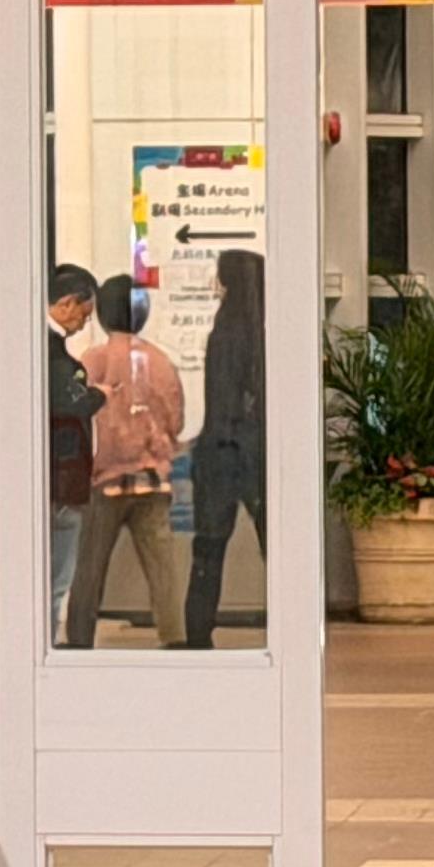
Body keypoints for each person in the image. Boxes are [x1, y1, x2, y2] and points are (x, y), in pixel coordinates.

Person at [64, 273, 188, 646]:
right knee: (163, 571)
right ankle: (174, 638)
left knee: (89, 568)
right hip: (153, 479)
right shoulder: (160, 361)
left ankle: (79, 641)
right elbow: (176, 419)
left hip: (105, 481)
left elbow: (76, 413)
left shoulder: (95, 359)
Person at [178, 249, 268, 648]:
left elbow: (220, 400)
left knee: (208, 550)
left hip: (218, 452)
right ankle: (291, 627)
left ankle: (198, 633)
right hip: (256, 451)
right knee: (275, 545)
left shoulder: (223, 330)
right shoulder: (264, 332)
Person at [43, 264, 100, 619]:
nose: (84, 322)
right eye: (84, 313)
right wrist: (97, 396)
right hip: (61, 477)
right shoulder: (54, 356)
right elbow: (68, 403)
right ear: (66, 304)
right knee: (56, 579)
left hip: (57, 479)